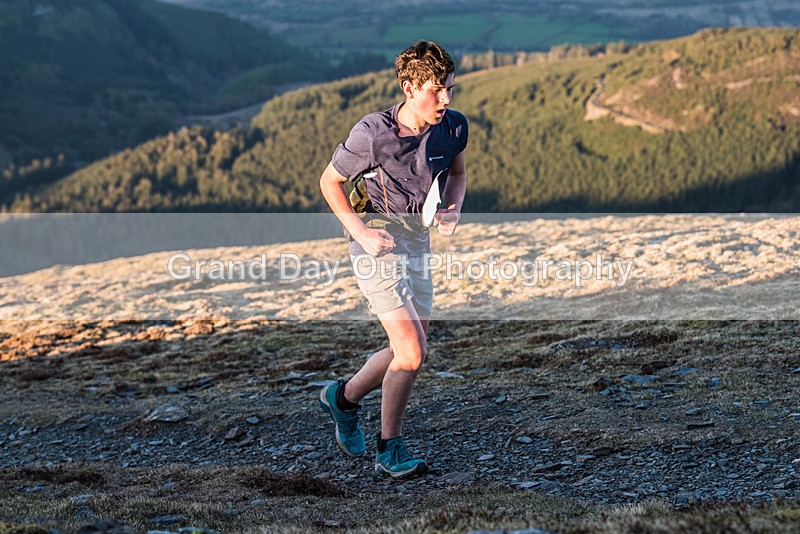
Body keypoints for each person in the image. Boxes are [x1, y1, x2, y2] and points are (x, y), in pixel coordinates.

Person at [318, 40, 468, 478]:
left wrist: (453, 208)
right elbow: (330, 182)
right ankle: (390, 448)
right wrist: (362, 233)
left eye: (450, 89)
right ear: (408, 86)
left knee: (411, 346)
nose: (445, 99)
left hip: (417, 244)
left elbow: (456, 175)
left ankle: (342, 398)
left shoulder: (454, 128)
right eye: (436, 90)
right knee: (412, 353)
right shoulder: (372, 134)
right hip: (374, 246)